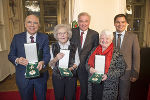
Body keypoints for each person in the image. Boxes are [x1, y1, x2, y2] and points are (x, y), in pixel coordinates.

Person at [8, 14, 50, 100]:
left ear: (39, 25)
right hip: (23, 76)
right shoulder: (17, 38)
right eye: (29, 22)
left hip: (40, 75)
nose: (32, 25)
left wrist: (43, 62)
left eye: (35, 23)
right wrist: (17, 60)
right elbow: (11, 55)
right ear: (25, 24)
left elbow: (47, 55)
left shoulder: (44, 37)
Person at [86, 29, 126, 100]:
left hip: (109, 86)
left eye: (107, 38)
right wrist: (89, 69)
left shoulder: (117, 53)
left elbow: (121, 69)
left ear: (111, 40)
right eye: (102, 38)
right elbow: (87, 63)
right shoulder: (94, 50)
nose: (104, 40)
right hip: (94, 84)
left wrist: (108, 75)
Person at [71, 12, 99, 100]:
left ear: (89, 22)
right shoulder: (71, 32)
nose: (83, 23)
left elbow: (95, 52)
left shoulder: (95, 34)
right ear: (78, 22)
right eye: (81, 21)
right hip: (71, 66)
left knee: (84, 90)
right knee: (70, 90)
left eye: (86, 21)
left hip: (85, 67)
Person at [113, 14, 140, 100]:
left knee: (123, 96)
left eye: (123, 22)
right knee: (112, 96)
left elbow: (136, 56)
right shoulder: (109, 36)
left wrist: (135, 73)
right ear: (114, 23)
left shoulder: (133, 37)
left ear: (126, 23)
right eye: (118, 22)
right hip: (111, 72)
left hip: (126, 72)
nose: (120, 24)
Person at [49, 24, 80, 100]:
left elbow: (77, 62)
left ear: (68, 34)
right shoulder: (52, 46)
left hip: (71, 76)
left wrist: (71, 68)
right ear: (56, 35)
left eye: (64, 33)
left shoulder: (74, 46)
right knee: (59, 97)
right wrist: (56, 58)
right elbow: (50, 64)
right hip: (57, 77)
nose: (62, 35)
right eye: (60, 33)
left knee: (70, 97)